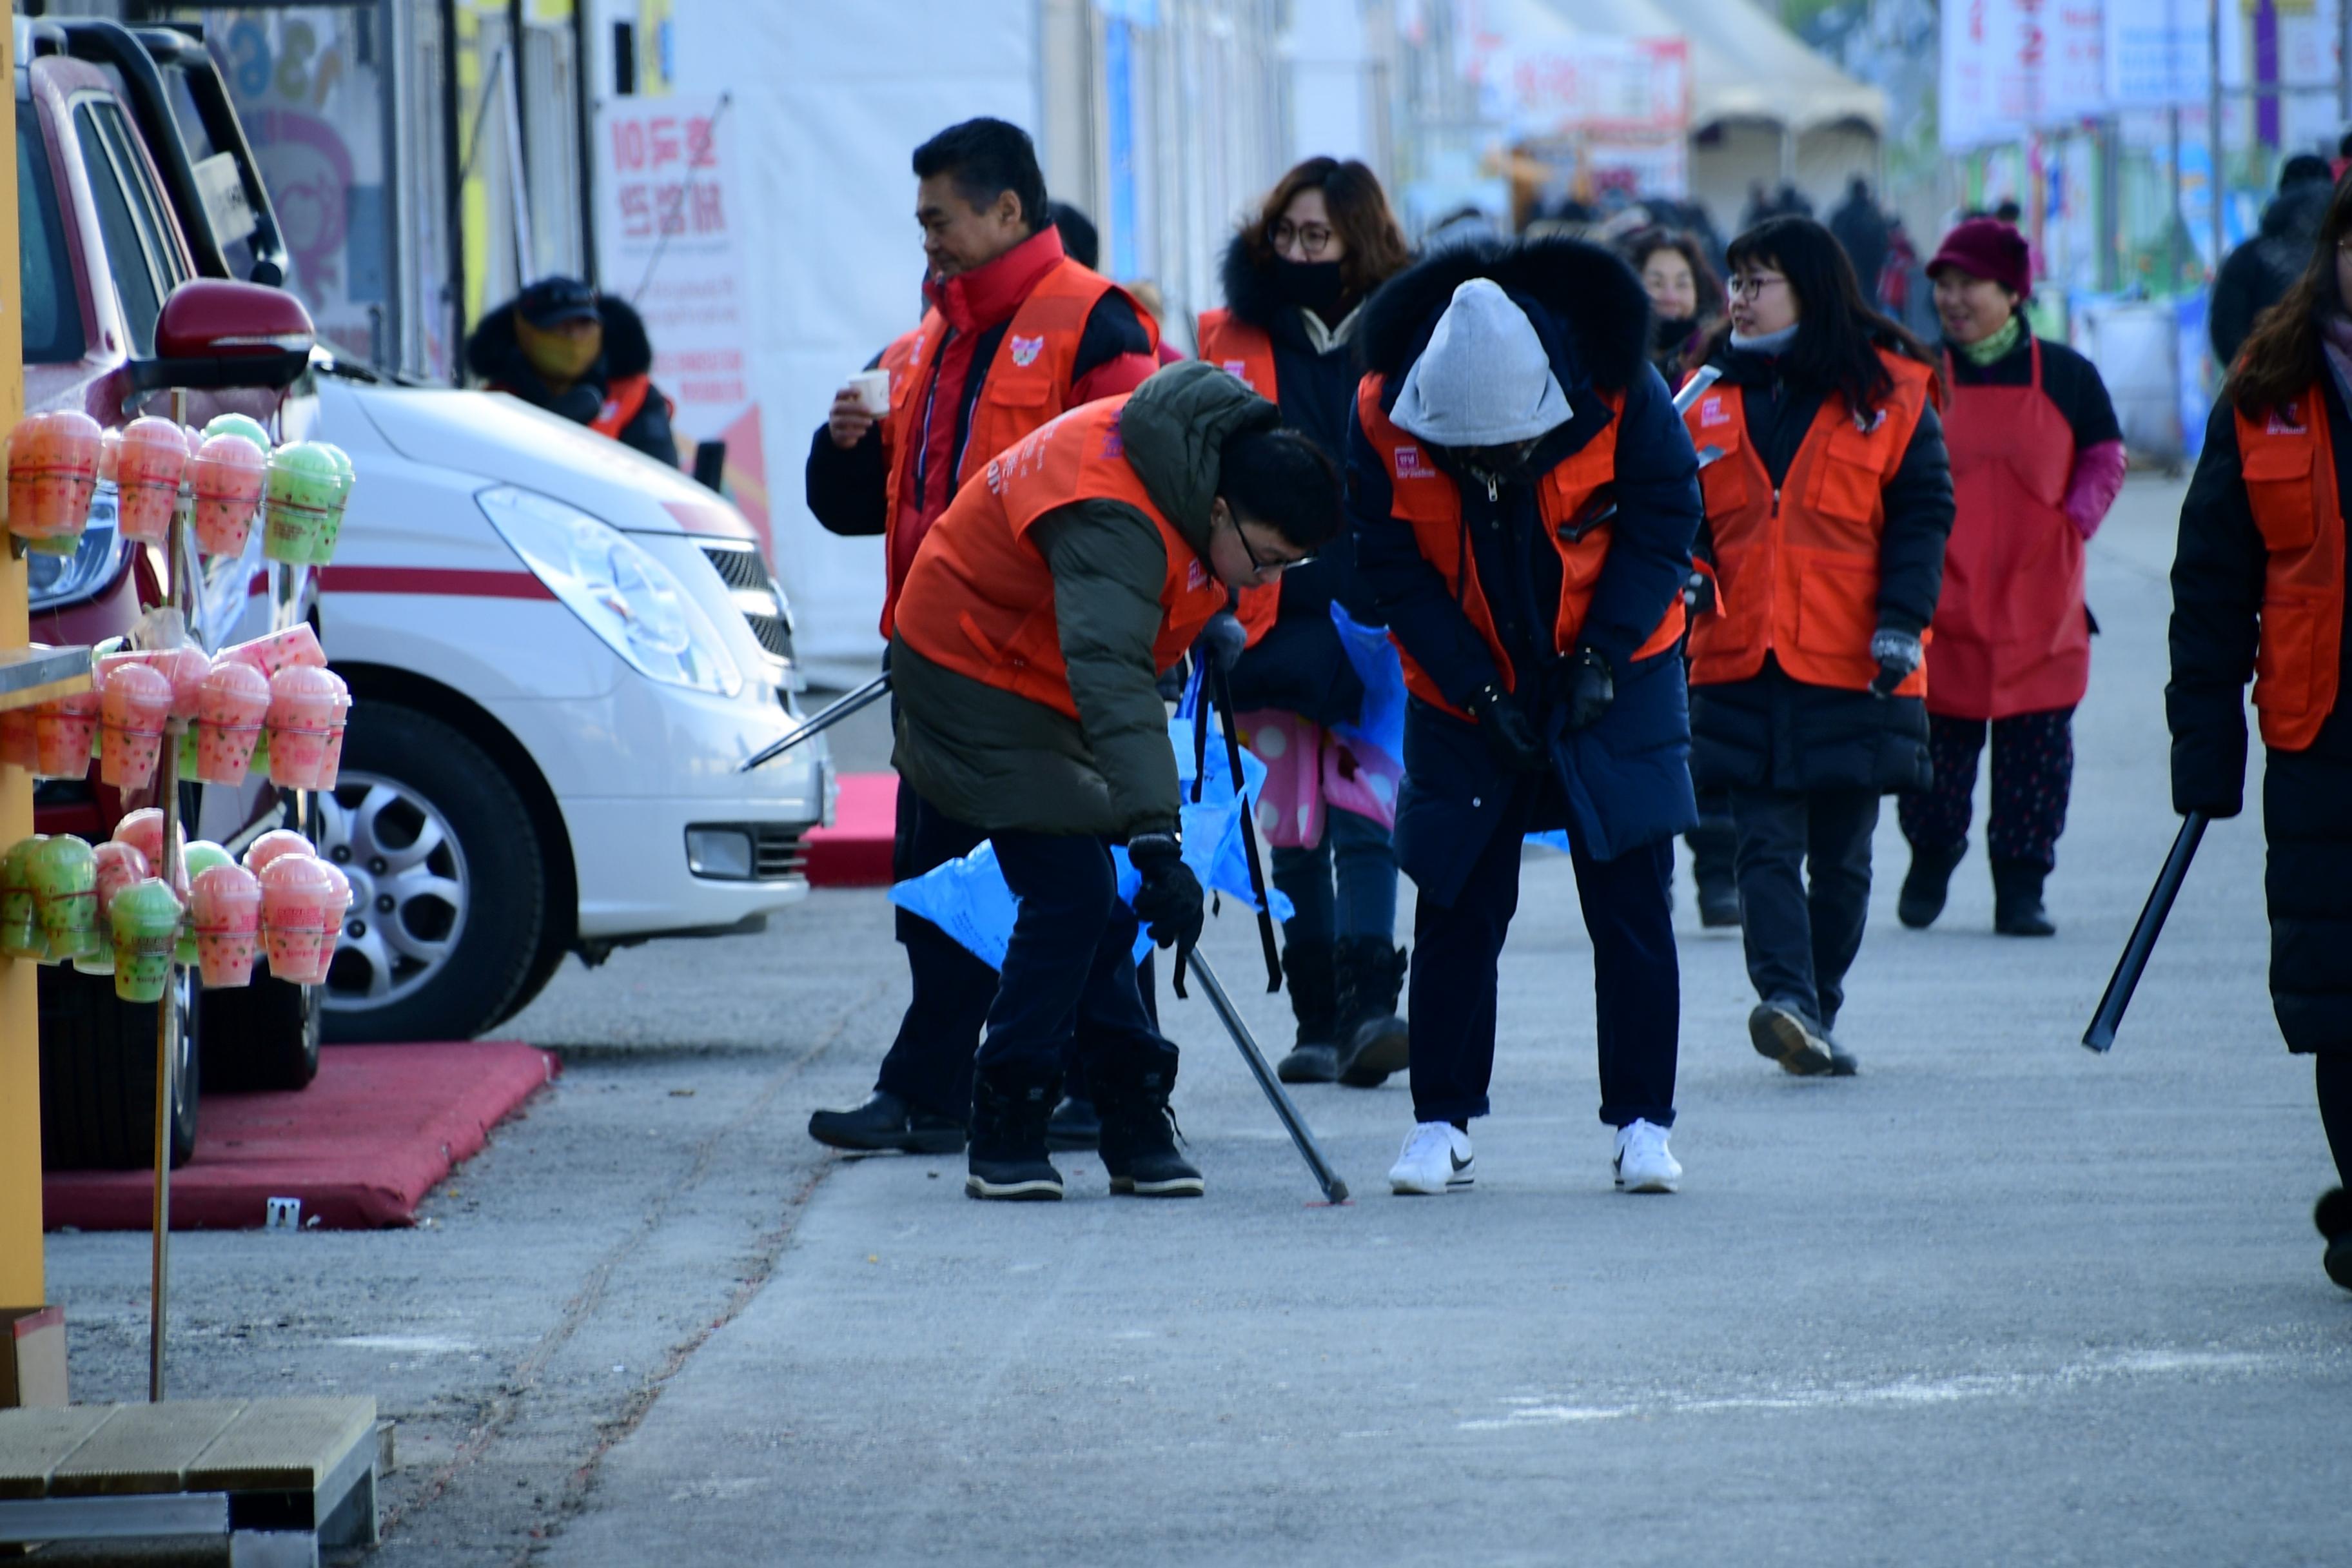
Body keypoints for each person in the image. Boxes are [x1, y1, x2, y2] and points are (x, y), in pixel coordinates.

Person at [890, 362, 1340, 1200]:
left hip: (1043, 673)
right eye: (1267, 560)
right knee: (1072, 892)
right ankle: (1008, 1119)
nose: (1268, 584)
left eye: (1290, 568)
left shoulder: (1198, 466)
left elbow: (1152, 606)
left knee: (1097, 901)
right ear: (1218, 508)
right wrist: (1157, 839)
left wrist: (1202, 616)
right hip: (969, 673)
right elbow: (1115, 682)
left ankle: (1129, 1114)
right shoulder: (1118, 515)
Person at [801, 117, 1161, 1158]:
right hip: (937, 670)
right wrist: (841, 450)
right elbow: (866, 504)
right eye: (921, 222)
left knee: (1077, 893)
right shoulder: (928, 340)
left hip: (1046, 671)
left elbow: (1137, 494)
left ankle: (1093, 1085)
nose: (928, 241)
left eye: (938, 218)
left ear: (1007, 208)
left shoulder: (1096, 325)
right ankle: (938, 1087)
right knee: (937, 887)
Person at [1351, 239, 1703, 1197]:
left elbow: (1668, 517)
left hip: (1619, 672)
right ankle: (1440, 1123)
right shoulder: (1382, 414)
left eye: (1507, 450)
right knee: (1457, 899)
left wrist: (1601, 654)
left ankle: (1643, 1122)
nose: (1491, 466)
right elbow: (1390, 566)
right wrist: (1476, 689)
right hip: (1460, 689)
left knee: (1630, 900)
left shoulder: (1621, 390)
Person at [1683, 217, 1954, 1077]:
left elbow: (1923, 514)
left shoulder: (1891, 392)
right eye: (1733, 283)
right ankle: (1787, 1001)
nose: (1738, 300)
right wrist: (1684, 570)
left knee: (1842, 860)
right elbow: (1671, 509)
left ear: (1809, 287)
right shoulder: (1699, 394)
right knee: (1762, 843)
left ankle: (1818, 1003)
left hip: (1855, 661)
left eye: (1757, 282)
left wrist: (1902, 622)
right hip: (1742, 656)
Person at [2169, 173, 2352, 1291]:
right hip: (2319, 730)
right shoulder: (2267, 388)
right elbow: (2210, 582)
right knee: (2337, 989)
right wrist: (2202, 746)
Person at [1196, 156, 1416, 1086]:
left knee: (1368, 812)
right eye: (1284, 234)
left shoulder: (1409, 333)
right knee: (1291, 823)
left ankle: (1374, 1012)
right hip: (1267, 602)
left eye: (1316, 236)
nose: (1297, 251)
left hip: (1379, 607)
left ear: (1357, 241)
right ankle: (1317, 1018)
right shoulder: (1227, 335)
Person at [1896, 218, 2125, 935]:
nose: (1953, 299)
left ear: (2013, 291)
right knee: (1936, 760)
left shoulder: (2066, 375)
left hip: (2041, 603)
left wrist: (2074, 522)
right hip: (1947, 600)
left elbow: (2104, 456)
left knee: (2037, 761)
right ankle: (1932, 856)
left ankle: (2021, 887)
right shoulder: (1920, 375)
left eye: (1970, 284)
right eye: (1944, 285)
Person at [1620, 226, 1739, 929]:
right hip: (1637, 566)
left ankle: (1717, 870)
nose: (1669, 294)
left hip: (1708, 562)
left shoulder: (1719, 367)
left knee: (1708, 725)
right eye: (1653, 280)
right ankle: (1652, 867)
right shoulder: (1608, 366)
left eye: (1680, 281)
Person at [465, 276, 679, 466]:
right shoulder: (496, 404)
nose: (574, 337)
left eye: (584, 324)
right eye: (559, 326)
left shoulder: (635, 396)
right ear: (525, 333)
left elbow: (659, 475)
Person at [2210, 155, 2337, 369]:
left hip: (2268, 387)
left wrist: (2254, 377)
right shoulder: (2342, 254)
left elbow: (2226, 330)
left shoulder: (2248, 256)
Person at [1828, 177, 1892, 311]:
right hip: (1866, 264)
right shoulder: (1873, 213)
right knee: (1869, 295)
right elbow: (1884, 238)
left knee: (1855, 294)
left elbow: (1834, 237)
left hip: (1854, 262)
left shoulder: (1844, 213)